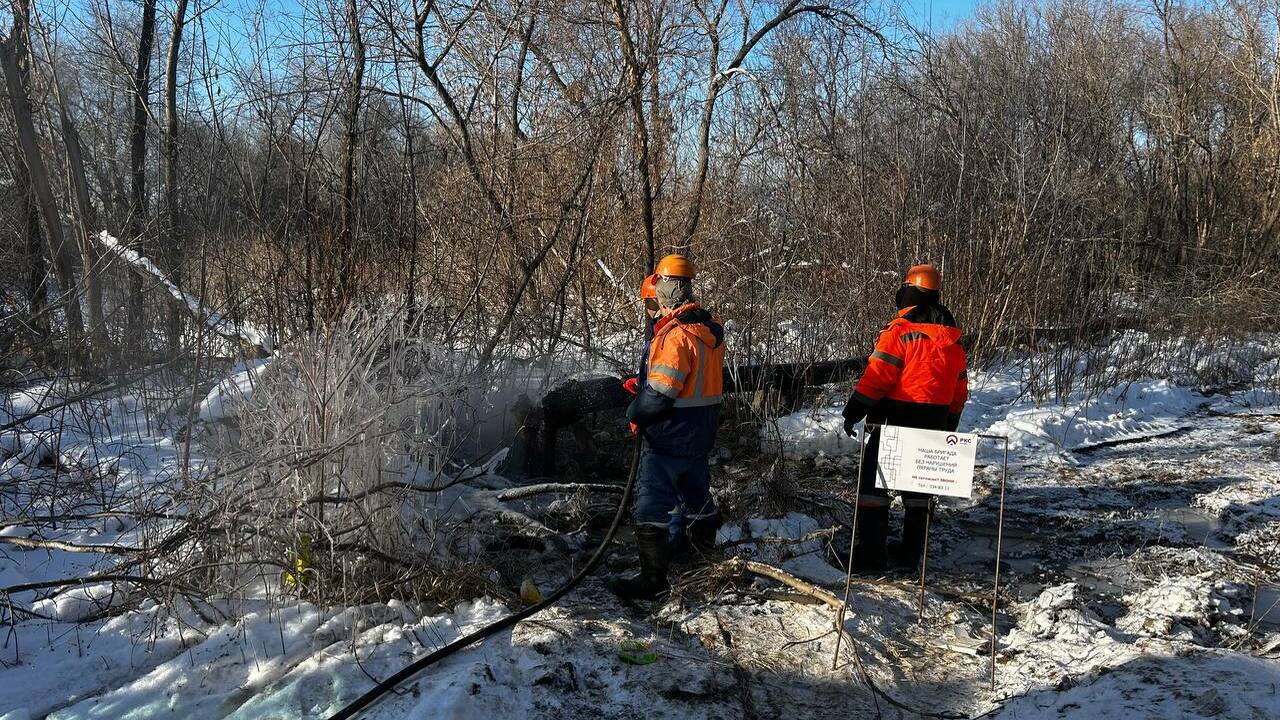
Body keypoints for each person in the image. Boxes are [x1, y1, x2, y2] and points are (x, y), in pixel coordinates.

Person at [610, 254, 726, 600]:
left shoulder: (674, 337)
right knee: (696, 496)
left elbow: (661, 395)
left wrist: (636, 411)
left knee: (651, 505)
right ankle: (701, 559)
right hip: (700, 433)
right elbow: (688, 384)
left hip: (668, 435)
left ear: (665, 287)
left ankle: (653, 580)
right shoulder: (707, 331)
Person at [841, 263, 968, 572]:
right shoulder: (953, 339)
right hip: (934, 423)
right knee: (919, 491)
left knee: (874, 488)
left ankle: (871, 557)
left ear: (908, 293)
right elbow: (960, 389)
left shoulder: (899, 332)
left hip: (894, 422)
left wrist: (854, 409)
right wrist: (950, 424)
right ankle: (914, 557)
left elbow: (878, 377)